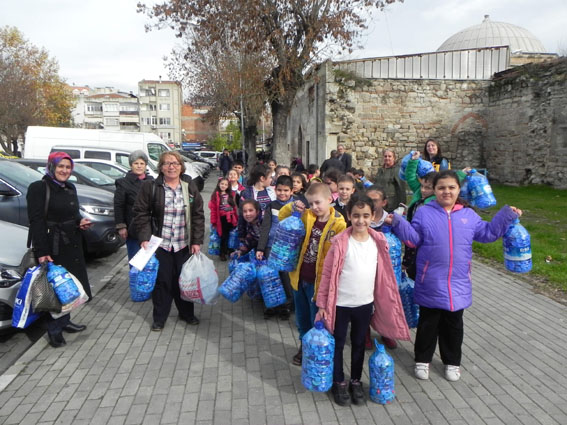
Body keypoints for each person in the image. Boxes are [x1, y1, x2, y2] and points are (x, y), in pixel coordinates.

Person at [387, 170, 522, 382]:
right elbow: (413, 240)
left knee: (454, 326)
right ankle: (422, 360)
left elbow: (487, 234)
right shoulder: (425, 212)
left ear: (459, 190)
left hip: (458, 283)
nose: (446, 191)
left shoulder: (468, 215)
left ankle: (452, 362)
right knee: (428, 324)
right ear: (434, 190)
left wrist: (506, 216)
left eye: (451, 187)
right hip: (430, 280)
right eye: (441, 188)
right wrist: (397, 221)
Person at [316, 194, 410, 406]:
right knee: (339, 343)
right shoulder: (340, 242)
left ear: (373, 216)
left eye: (366, 216)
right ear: (349, 215)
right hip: (339, 304)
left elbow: (384, 274)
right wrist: (322, 304)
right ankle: (339, 381)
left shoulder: (378, 242)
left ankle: (356, 380)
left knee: (359, 344)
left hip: (365, 304)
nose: (360, 220)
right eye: (356, 215)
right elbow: (327, 275)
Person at [133, 151, 205, 331]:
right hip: (161, 244)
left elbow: (198, 215)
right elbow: (141, 213)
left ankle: (186, 313)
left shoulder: (189, 187)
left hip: (183, 243)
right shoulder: (151, 187)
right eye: (166, 163)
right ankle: (159, 318)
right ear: (161, 167)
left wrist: (196, 240)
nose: (171, 167)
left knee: (184, 280)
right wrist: (144, 237)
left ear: (181, 167)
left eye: (175, 163)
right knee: (163, 281)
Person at [27, 152, 91, 348]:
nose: (65, 170)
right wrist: (41, 251)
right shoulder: (39, 188)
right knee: (55, 286)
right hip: (51, 245)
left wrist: (80, 221)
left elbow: (73, 211)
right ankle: (54, 329)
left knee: (69, 284)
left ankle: (65, 321)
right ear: (51, 167)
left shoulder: (69, 187)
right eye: (61, 166)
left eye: (68, 167)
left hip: (71, 242)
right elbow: (36, 221)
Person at [279, 182, 347, 365]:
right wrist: (292, 207)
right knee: (301, 318)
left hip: (318, 284)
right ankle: (304, 344)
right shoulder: (307, 216)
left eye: (318, 203)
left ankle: (317, 348)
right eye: (311, 204)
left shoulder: (339, 224)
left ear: (329, 199)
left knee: (315, 317)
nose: (314, 207)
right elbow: (282, 217)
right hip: (300, 277)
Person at [256, 175, 295, 320]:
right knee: (271, 278)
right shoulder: (271, 205)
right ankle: (272, 306)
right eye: (279, 190)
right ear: (275, 190)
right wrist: (261, 248)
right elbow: (265, 227)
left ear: (292, 191)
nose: (282, 193)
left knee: (286, 278)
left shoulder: (296, 206)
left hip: (288, 250)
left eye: (286, 190)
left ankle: (287, 306)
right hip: (271, 247)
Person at [114, 150, 155, 262]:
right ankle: (135, 279)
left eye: (142, 163)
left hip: (151, 227)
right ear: (131, 165)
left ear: (146, 165)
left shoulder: (152, 182)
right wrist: (121, 226)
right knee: (136, 260)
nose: (139, 166)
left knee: (150, 262)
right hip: (133, 227)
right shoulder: (123, 183)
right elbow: (118, 205)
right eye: (136, 163)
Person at [403, 151, 437, 280]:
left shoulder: (435, 202)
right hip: (412, 235)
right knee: (411, 265)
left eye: (427, 188)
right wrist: (413, 161)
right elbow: (410, 176)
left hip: (425, 241)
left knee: (420, 268)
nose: (423, 190)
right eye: (422, 186)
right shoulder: (418, 191)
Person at [238, 164, 276, 240]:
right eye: (270, 177)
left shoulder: (273, 191)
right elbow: (242, 216)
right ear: (262, 178)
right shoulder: (246, 193)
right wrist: (241, 235)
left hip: (269, 234)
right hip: (252, 235)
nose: (271, 179)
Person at [209, 177, 238, 261]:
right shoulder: (216, 195)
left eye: (226, 184)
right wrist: (213, 221)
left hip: (231, 218)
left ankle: (229, 251)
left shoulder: (231, 194)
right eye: (222, 184)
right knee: (223, 236)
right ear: (218, 184)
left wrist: (235, 217)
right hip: (221, 219)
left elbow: (234, 207)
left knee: (231, 235)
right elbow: (213, 209)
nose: (223, 186)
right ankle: (222, 252)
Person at [373, 149, 407, 213]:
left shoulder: (397, 170)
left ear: (394, 158)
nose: (387, 158)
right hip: (379, 204)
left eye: (389, 156)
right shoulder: (380, 170)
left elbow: (401, 188)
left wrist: (402, 206)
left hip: (391, 206)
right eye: (385, 156)